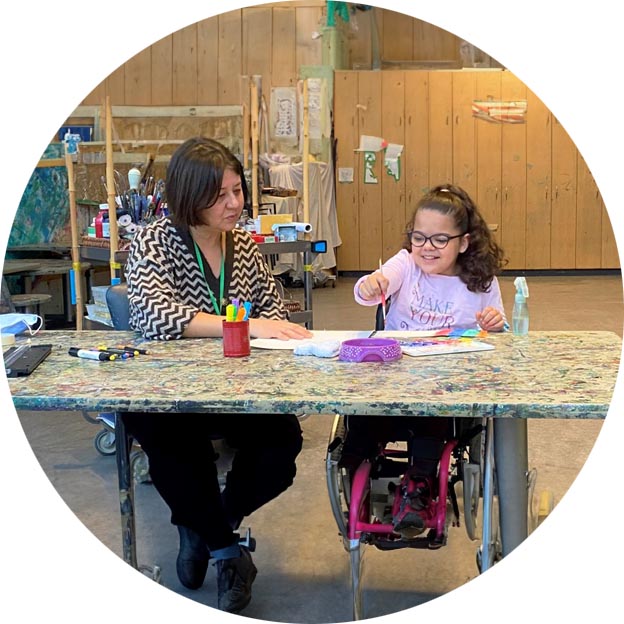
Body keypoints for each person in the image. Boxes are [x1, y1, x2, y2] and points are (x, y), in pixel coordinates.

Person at [123, 137, 312, 613]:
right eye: (221, 195)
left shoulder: (243, 245)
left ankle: (207, 531)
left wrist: (266, 324)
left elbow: (273, 309)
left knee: (281, 447)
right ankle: (229, 554)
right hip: (172, 387)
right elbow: (156, 316)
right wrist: (242, 324)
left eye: (237, 191)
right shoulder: (154, 241)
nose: (235, 204)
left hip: (238, 384)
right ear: (190, 195)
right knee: (167, 437)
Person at [341, 183, 507, 537]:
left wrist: (493, 323)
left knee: (435, 407)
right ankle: (356, 466)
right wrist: (372, 284)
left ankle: (418, 484)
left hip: (443, 381)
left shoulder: (479, 282)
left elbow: (499, 328)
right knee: (361, 407)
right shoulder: (406, 264)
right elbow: (371, 289)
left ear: (463, 242)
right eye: (419, 238)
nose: (427, 248)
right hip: (394, 372)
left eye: (439, 240)